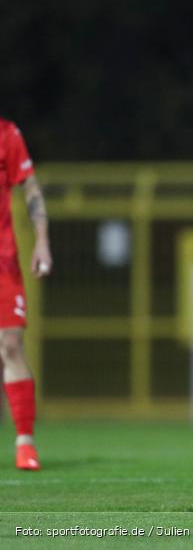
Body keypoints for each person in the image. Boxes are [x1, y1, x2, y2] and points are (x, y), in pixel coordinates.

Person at [0, 118, 52, 471]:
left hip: (3, 262)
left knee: (12, 345)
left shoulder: (7, 133)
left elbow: (30, 187)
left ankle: (24, 444)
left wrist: (42, 241)